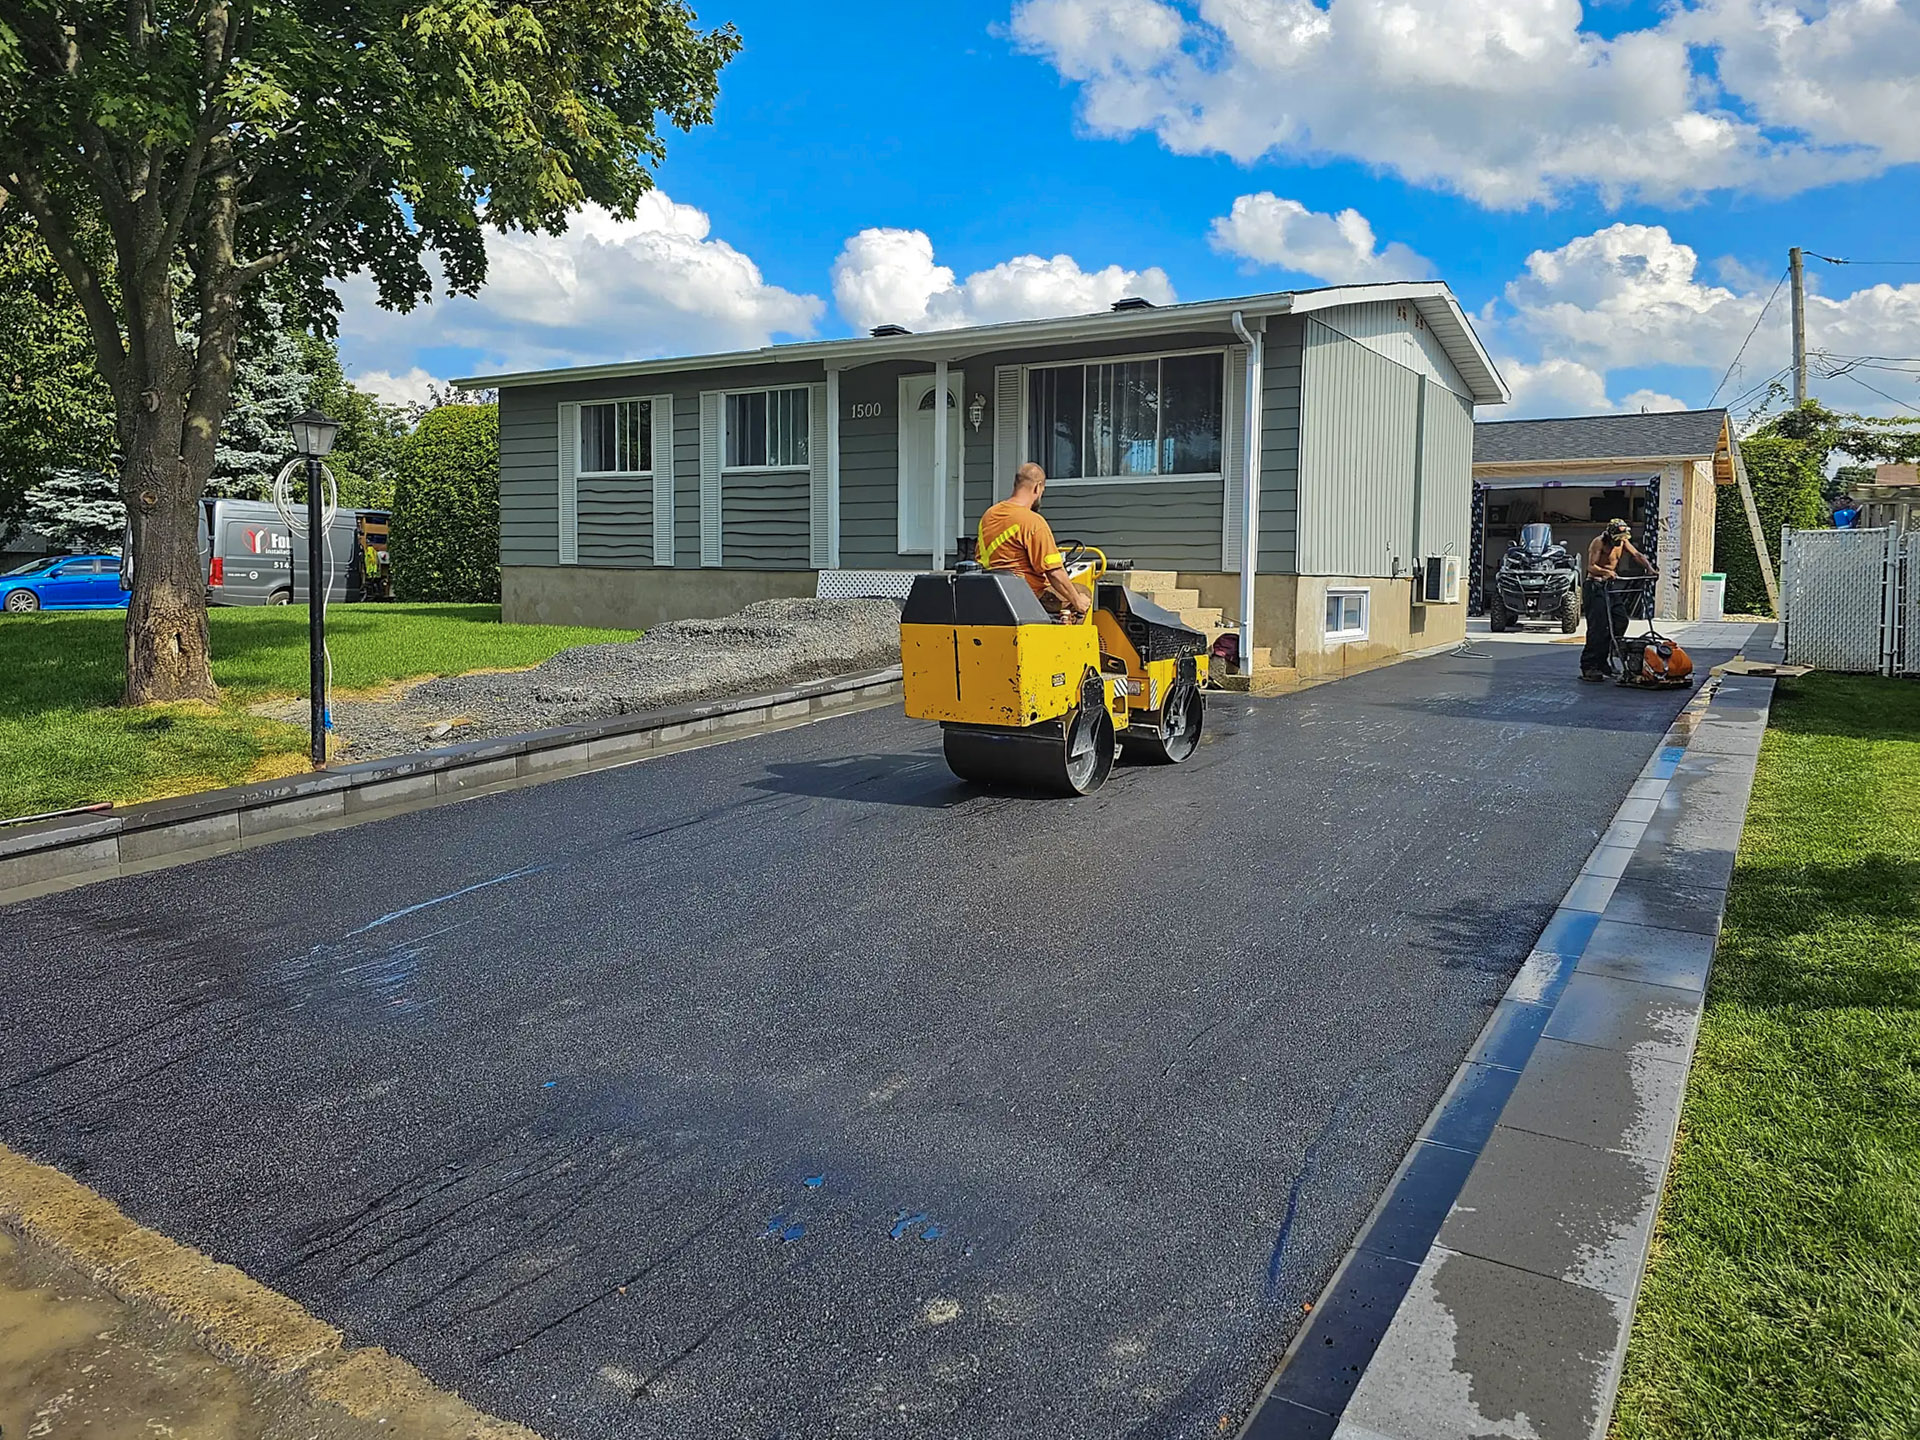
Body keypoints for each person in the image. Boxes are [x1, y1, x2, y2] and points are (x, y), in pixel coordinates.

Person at [976, 462, 1092, 622]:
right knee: (1082, 592)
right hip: (1028, 596)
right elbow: (1055, 573)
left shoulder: (988, 516)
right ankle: (1070, 644)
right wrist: (1078, 602)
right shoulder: (1033, 522)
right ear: (1037, 488)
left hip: (994, 593)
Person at [1580, 518, 1651, 681]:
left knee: (1620, 620)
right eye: (1617, 538)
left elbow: (1637, 555)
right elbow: (1590, 567)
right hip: (1595, 586)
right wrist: (1605, 572)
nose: (1620, 541)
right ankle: (1589, 666)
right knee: (1598, 628)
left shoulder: (1623, 541)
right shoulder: (1599, 542)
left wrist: (1649, 568)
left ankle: (1605, 658)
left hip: (1609, 587)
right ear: (1610, 535)